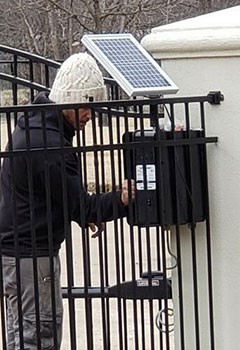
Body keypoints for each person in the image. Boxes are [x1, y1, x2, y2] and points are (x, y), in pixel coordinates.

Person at [0, 52, 135, 349]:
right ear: (72, 100)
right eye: (87, 106)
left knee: (21, 336)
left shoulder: (33, 128)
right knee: (38, 338)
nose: (90, 114)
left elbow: (51, 193)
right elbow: (79, 204)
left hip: (17, 253)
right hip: (32, 256)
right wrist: (122, 199)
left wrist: (80, 211)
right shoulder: (50, 145)